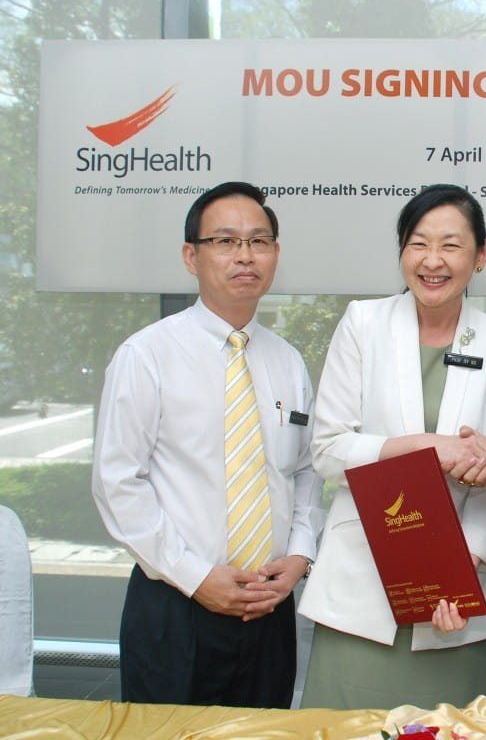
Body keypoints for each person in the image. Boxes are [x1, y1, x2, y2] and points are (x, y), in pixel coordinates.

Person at [92, 181, 322, 708]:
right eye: (225, 241)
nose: (245, 255)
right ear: (191, 256)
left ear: (275, 254)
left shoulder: (287, 360)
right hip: (176, 605)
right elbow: (116, 483)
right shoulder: (147, 354)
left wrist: (300, 556)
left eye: (259, 241)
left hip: (267, 606)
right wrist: (197, 578)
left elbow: (304, 472)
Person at [298, 184, 486, 710]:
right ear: (401, 250)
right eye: (418, 243)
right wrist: (429, 447)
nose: (432, 261)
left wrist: (463, 568)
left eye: (451, 245)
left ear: (482, 254)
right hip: (363, 582)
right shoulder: (363, 323)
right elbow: (329, 448)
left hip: (453, 598)